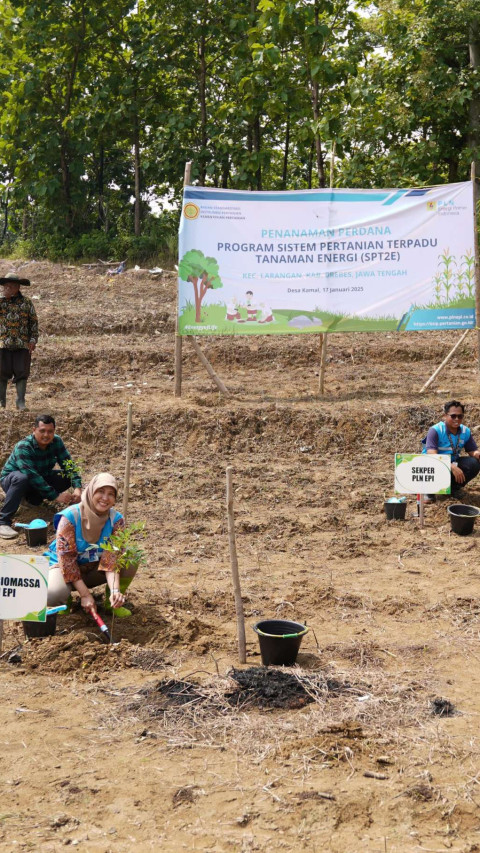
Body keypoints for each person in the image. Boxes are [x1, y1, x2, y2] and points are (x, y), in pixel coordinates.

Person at [46, 473, 137, 618]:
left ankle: (112, 603)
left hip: (93, 567)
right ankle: (65, 600)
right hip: (63, 568)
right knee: (53, 593)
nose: (105, 498)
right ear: (91, 491)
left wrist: (115, 591)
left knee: (130, 557)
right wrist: (85, 595)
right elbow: (67, 561)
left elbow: (111, 559)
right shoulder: (70, 517)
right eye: (100, 492)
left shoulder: (116, 520)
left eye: (111, 494)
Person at [0, 414, 82, 539]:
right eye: (42, 431)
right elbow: (31, 475)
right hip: (13, 481)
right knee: (22, 478)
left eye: (50, 431)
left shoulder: (56, 441)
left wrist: (77, 487)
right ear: (34, 430)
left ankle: (32, 501)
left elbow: (69, 465)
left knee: (66, 476)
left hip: (40, 479)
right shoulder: (24, 447)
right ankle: (3, 521)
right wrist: (55, 496)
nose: (46, 435)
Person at [423, 400, 480, 501]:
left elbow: (472, 450)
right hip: (433, 464)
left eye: (460, 416)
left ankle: (452, 489)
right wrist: (451, 467)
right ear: (445, 416)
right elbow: (432, 456)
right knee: (431, 466)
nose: (457, 419)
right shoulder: (435, 430)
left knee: (474, 463)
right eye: (453, 416)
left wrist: (477, 454)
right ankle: (429, 490)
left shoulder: (465, 431)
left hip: (452, 463)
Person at [0, 271, 39, 410]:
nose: (7, 288)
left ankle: (20, 402)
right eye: (6, 286)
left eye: (11, 286)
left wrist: (33, 339)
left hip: (22, 343)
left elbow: (33, 323)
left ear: (18, 287)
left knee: (22, 373)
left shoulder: (27, 302)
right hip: (3, 343)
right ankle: (1, 402)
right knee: (1, 373)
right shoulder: (0, 301)